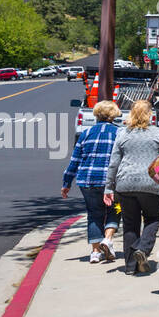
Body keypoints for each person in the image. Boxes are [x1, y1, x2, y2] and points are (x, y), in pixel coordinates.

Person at [105, 100, 159, 275]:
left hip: (125, 184)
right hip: (151, 184)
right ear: (150, 114)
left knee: (130, 225)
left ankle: (130, 267)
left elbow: (113, 163)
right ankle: (143, 248)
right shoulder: (158, 133)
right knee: (153, 218)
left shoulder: (123, 134)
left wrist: (108, 187)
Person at [61, 101, 121, 264]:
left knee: (94, 214)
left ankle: (95, 252)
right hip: (110, 182)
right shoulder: (119, 133)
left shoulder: (86, 134)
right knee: (116, 209)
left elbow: (75, 160)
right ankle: (107, 239)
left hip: (87, 181)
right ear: (114, 115)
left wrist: (67, 183)